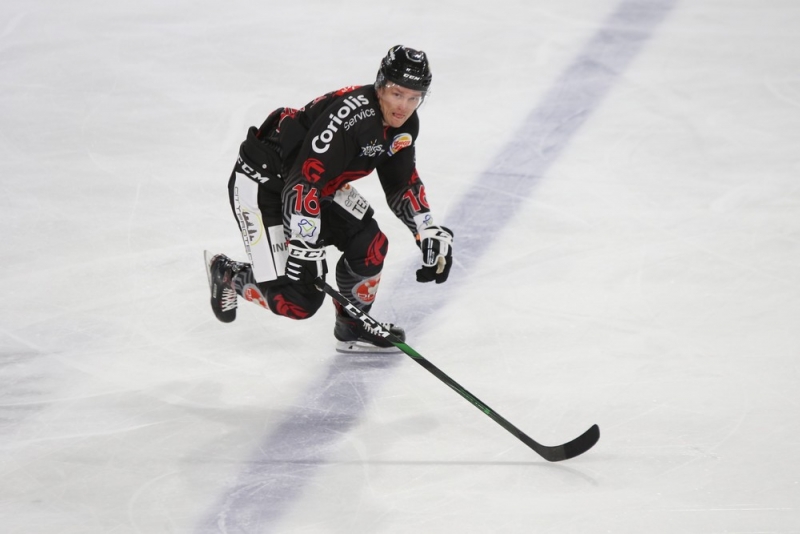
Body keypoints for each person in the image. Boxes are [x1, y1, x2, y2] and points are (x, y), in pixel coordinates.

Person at [205, 45, 454, 353]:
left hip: (315, 186)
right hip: (264, 184)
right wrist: (304, 244)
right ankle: (228, 274)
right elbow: (303, 179)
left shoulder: (404, 127)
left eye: (414, 97)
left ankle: (352, 322)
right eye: (396, 93)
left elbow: (402, 184)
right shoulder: (353, 117)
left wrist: (426, 227)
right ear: (380, 86)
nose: (404, 106)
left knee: (370, 245)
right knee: (298, 301)